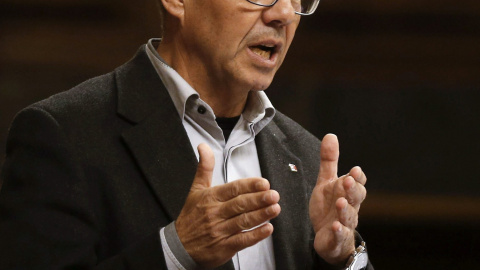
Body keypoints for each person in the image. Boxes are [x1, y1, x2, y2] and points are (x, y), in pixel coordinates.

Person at [0, 0, 373, 268]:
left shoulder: (307, 155)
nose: (284, 13)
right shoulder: (61, 135)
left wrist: (342, 259)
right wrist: (174, 253)